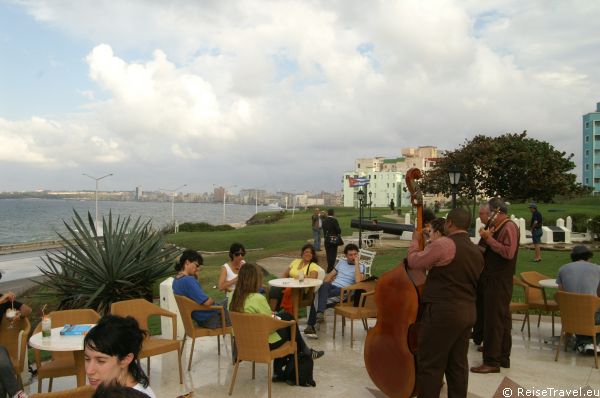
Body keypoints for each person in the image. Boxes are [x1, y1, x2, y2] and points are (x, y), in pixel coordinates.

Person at [407, 208, 484, 398]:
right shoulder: (476, 250)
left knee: (431, 364)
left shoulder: (444, 244)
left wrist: (415, 242)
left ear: (449, 223)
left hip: (444, 313)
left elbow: (415, 262)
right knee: (457, 365)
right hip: (467, 312)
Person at [229, 263, 324, 382]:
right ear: (254, 280)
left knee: (286, 316)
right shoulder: (258, 298)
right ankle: (299, 356)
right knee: (290, 329)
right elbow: (271, 327)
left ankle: (287, 366)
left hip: (242, 343)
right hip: (262, 344)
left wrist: (275, 316)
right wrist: (277, 319)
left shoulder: (233, 297)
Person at [471, 198, 519, 374]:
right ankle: (502, 356)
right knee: (501, 320)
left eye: (489, 213)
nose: (488, 218)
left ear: (497, 211)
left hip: (499, 281)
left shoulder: (509, 227)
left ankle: (492, 361)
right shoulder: (498, 227)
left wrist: (489, 239)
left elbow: (508, 252)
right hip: (492, 280)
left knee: (494, 321)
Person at [83, 315, 156, 398]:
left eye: (101, 361)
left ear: (125, 359)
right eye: (87, 359)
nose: (89, 371)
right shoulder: (106, 388)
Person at [303, 243, 365, 338]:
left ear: (358, 254)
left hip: (344, 291)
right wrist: (322, 287)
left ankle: (311, 324)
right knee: (323, 286)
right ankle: (319, 314)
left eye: (355, 254)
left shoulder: (361, 266)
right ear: (346, 256)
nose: (353, 256)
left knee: (317, 298)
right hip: (332, 287)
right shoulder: (341, 263)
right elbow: (330, 276)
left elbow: (358, 282)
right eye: (350, 255)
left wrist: (357, 263)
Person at [556, 245, 600, 352]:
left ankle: (585, 343)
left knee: (583, 312)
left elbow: (561, 294)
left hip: (569, 316)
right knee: (594, 313)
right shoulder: (598, 269)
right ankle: (590, 343)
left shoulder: (562, 269)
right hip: (591, 316)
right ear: (589, 257)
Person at [173, 249, 231, 329]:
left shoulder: (176, 280)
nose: (197, 269)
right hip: (212, 319)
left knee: (229, 300)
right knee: (237, 308)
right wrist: (211, 300)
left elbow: (196, 296)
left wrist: (196, 277)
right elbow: (207, 302)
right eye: (196, 265)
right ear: (187, 262)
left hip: (201, 318)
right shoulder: (188, 280)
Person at [268, 244, 322, 311]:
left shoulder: (313, 265)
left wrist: (304, 276)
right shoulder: (296, 261)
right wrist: (280, 283)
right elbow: (285, 274)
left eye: (311, 253)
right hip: (289, 285)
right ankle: (273, 313)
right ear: (302, 253)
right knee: (274, 289)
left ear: (313, 255)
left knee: (279, 292)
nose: (308, 254)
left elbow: (313, 279)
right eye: (306, 252)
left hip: (301, 290)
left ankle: (276, 314)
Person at [0, 291, 32, 398]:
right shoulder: (2, 299)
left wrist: (19, 315)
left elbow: (27, 309)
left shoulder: (3, 300)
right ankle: (17, 393)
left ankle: (17, 394)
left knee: (2, 364)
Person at [472, 203, 491, 348]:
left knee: (484, 308)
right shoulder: (486, 229)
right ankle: (478, 335)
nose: (479, 216)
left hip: (487, 276)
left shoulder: (490, 230)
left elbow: (482, 250)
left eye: (481, 213)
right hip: (483, 274)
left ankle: (483, 336)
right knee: (480, 306)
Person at [322, 208, 342, 273]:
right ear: (333, 213)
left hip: (326, 240)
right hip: (333, 240)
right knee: (333, 255)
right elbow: (338, 231)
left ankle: (330, 268)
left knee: (328, 255)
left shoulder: (324, 221)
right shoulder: (334, 220)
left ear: (328, 213)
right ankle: (330, 269)